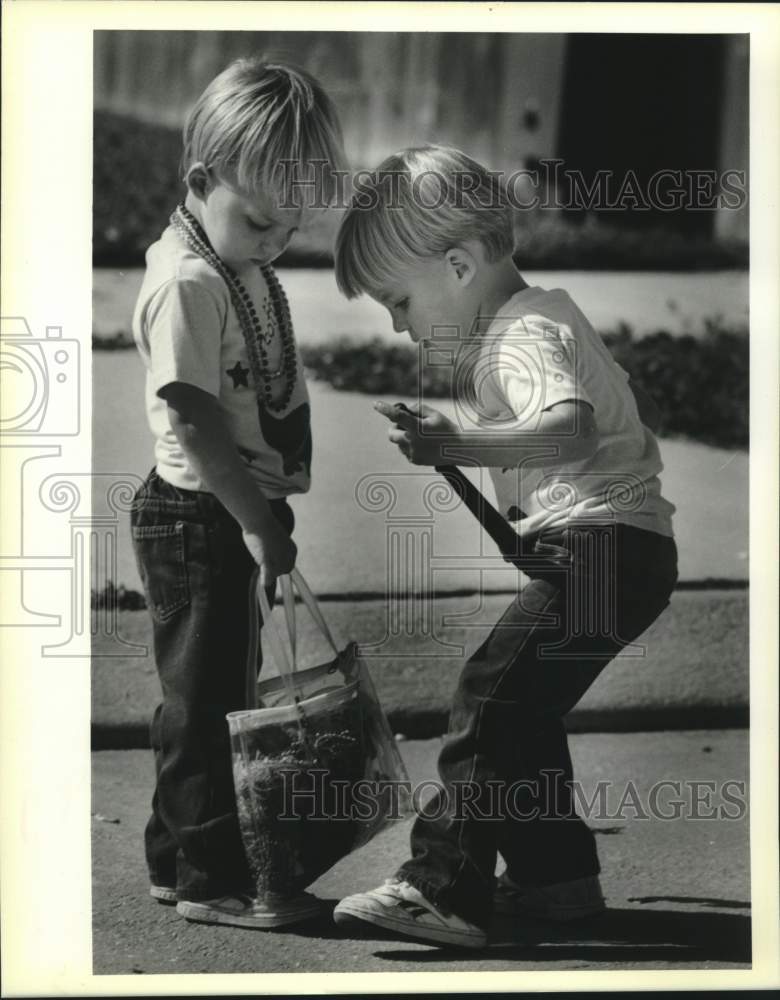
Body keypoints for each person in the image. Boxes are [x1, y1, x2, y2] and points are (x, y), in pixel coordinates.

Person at [331, 145, 678, 949]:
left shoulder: (517, 337)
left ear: (456, 265)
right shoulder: (548, 313)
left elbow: (569, 428)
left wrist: (459, 445)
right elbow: (629, 408)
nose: (396, 324)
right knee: (522, 712)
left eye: (398, 301)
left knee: (489, 700)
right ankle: (556, 879)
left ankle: (442, 886)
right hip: (622, 551)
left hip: (605, 551)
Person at [129, 56, 345, 930]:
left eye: (290, 229)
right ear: (200, 180)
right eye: (259, 220)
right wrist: (258, 524)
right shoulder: (186, 281)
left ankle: (174, 858)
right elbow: (195, 424)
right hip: (203, 513)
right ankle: (210, 881)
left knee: (217, 688)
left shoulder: (230, 258)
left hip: (234, 512)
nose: (272, 242)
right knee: (208, 705)